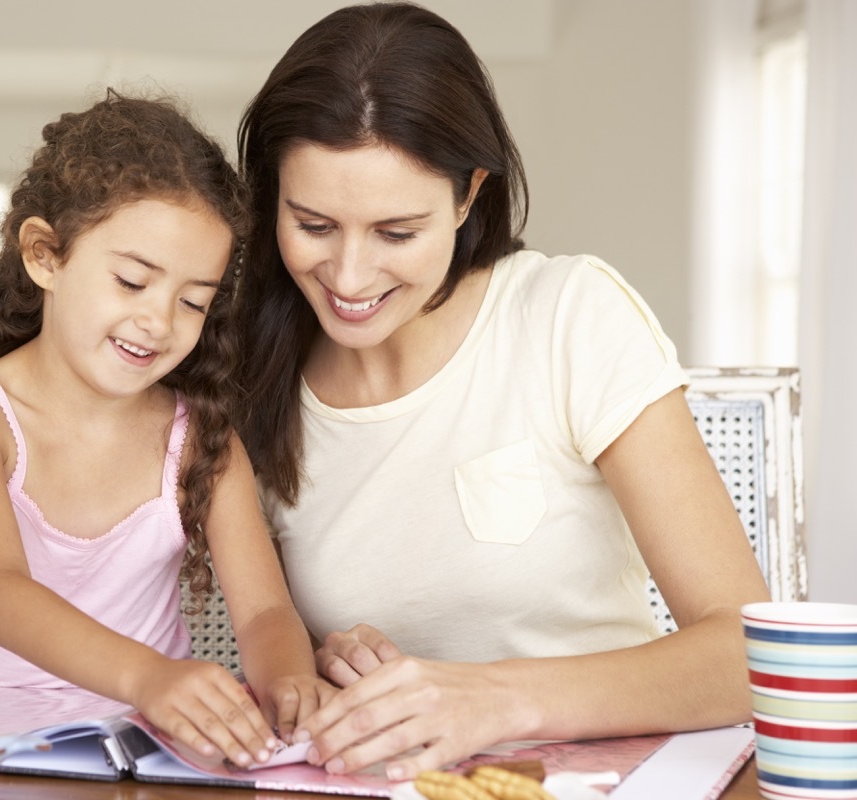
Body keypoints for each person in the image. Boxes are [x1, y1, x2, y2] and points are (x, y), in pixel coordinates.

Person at [234, 1, 772, 782]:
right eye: (313, 224)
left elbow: (744, 656)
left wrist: (491, 699)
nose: (348, 278)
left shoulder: (566, 316)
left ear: (467, 195)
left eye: (395, 232)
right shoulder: (255, 378)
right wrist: (328, 678)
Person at [0, 93, 331, 768]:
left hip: (143, 752)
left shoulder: (200, 439)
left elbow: (266, 611)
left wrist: (290, 684)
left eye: (192, 302)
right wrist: (149, 677)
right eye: (131, 281)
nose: (159, 321)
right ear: (45, 256)